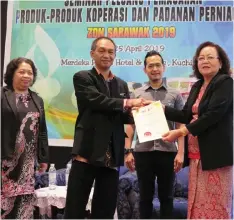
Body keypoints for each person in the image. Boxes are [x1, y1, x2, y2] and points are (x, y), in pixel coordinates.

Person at [64, 37, 148, 219]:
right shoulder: (83, 77)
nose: (106, 55)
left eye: (111, 52)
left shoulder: (121, 84)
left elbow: (123, 115)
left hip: (111, 156)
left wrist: (141, 112)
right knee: (75, 208)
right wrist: (128, 102)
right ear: (92, 53)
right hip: (87, 151)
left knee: (105, 210)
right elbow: (96, 101)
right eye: (102, 51)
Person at [162, 41, 233, 219]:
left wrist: (181, 132)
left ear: (221, 62)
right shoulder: (197, 85)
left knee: (215, 204)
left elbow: (213, 114)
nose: (205, 61)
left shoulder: (225, 82)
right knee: (196, 203)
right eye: (201, 58)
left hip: (215, 156)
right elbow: (186, 115)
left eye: (210, 57)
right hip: (196, 156)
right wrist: (160, 109)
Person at [125, 50, 185, 219]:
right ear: (145, 70)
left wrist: (180, 153)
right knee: (144, 198)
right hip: (143, 152)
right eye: (150, 66)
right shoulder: (137, 94)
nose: (155, 69)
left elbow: (181, 124)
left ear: (163, 67)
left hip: (167, 152)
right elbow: (130, 125)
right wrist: (128, 151)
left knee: (167, 197)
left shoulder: (175, 94)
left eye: (158, 65)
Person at [1, 57, 49, 219]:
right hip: (5, 160)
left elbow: (42, 130)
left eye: (30, 73)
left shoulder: (37, 99)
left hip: (28, 163)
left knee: (25, 204)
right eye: (22, 71)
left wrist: (43, 157)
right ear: (12, 74)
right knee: (5, 203)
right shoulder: (3, 96)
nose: (26, 75)